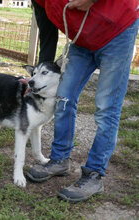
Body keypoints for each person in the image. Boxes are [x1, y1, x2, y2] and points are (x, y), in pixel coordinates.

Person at [26, 0, 139, 203]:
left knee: (106, 108)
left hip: (118, 30)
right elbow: (48, 37)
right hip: (83, 41)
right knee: (63, 96)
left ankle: (94, 175)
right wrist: (38, 77)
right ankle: (60, 159)